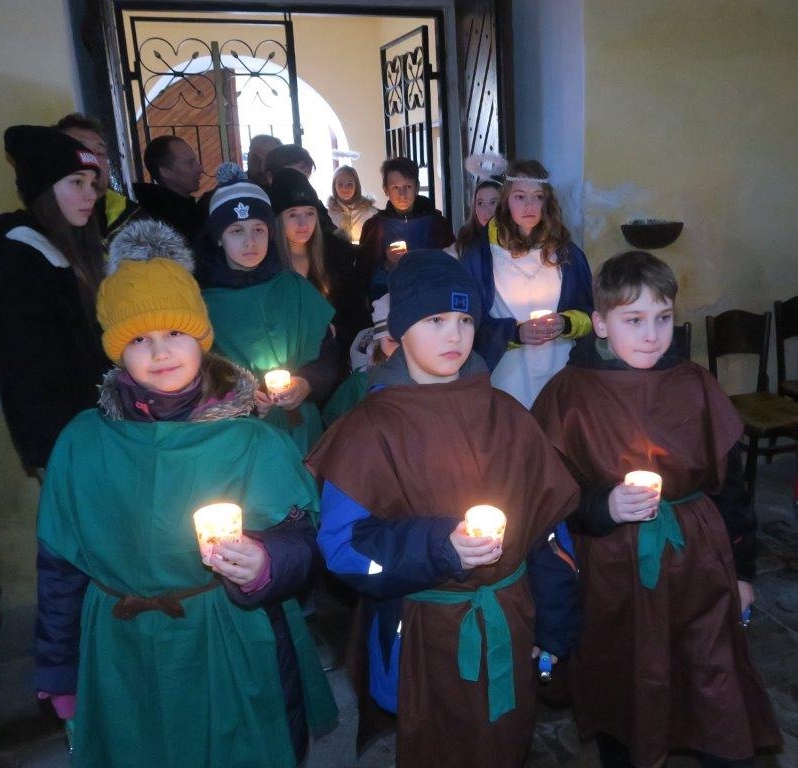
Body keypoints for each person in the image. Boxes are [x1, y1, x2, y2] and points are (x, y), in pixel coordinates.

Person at [34, 219, 338, 768]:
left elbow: (302, 538)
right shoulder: (82, 443)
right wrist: (59, 670)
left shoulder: (250, 441)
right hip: (118, 650)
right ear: (116, 351)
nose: (160, 352)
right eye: (138, 339)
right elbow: (59, 567)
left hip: (226, 635)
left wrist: (265, 562)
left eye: (175, 332)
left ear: (201, 336)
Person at [306, 250, 581, 767]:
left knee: (505, 741)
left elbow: (548, 529)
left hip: (511, 617)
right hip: (422, 630)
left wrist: (554, 625)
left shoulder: (508, 416)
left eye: (465, 320)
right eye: (435, 320)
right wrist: (439, 547)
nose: (454, 335)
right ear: (399, 332)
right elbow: (344, 548)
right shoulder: (370, 429)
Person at [531, 251, 782, 768]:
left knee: (710, 673)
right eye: (634, 320)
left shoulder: (696, 384)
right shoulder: (569, 393)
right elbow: (552, 499)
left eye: (663, 318)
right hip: (613, 569)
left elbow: (732, 488)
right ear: (601, 322)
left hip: (698, 560)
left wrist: (742, 572)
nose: (651, 335)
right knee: (625, 677)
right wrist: (604, 504)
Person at [0, 125, 109, 472]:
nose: (90, 195)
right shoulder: (19, 264)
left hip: (95, 430)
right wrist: (58, 450)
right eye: (76, 182)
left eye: (92, 183)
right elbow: (28, 377)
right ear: (43, 189)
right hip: (67, 443)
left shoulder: (70, 250)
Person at [195, 163, 339, 454]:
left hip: (302, 428)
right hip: (242, 437)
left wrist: (307, 382)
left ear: (271, 233)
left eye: (258, 230)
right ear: (219, 238)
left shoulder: (294, 288)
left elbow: (327, 353)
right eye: (236, 231)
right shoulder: (203, 304)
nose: (250, 242)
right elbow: (199, 376)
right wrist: (241, 400)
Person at [462, 159, 593, 409]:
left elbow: (591, 314)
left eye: (538, 197)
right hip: (506, 375)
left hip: (561, 371)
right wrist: (514, 333)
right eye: (520, 197)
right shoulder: (480, 257)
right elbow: (467, 322)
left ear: (547, 202)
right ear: (506, 201)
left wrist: (566, 323)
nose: (529, 206)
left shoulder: (568, 254)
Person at [270, 167, 371, 367]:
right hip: (284, 361)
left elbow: (356, 311)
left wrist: (337, 332)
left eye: (309, 213)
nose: (303, 223)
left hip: (335, 357)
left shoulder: (336, 255)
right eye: (293, 215)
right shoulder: (268, 262)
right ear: (278, 219)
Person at [358, 156, 455, 301]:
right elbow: (364, 280)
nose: (402, 194)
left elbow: (452, 267)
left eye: (407, 186)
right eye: (395, 188)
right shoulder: (374, 227)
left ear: (416, 187)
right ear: (386, 189)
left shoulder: (437, 224)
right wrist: (387, 265)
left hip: (433, 299)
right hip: (390, 303)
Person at [55, 112, 141, 243]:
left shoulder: (137, 222)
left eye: (100, 153)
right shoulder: (31, 234)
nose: (93, 161)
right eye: (81, 150)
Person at [321, 293, 398, 427]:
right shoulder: (362, 380)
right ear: (379, 340)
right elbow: (333, 419)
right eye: (391, 340)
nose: (400, 349)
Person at [132, 135, 205, 242]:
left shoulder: (187, 209)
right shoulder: (165, 223)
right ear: (165, 172)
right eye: (190, 163)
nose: (200, 169)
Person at [327, 165, 379, 245]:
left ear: (356, 185)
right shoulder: (328, 213)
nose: (345, 188)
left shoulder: (370, 212)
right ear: (334, 186)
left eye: (350, 184)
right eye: (340, 184)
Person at [451, 179, 501, 258]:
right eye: (480, 203)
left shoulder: (515, 238)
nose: (486, 211)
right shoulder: (465, 239)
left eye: (493, 202)